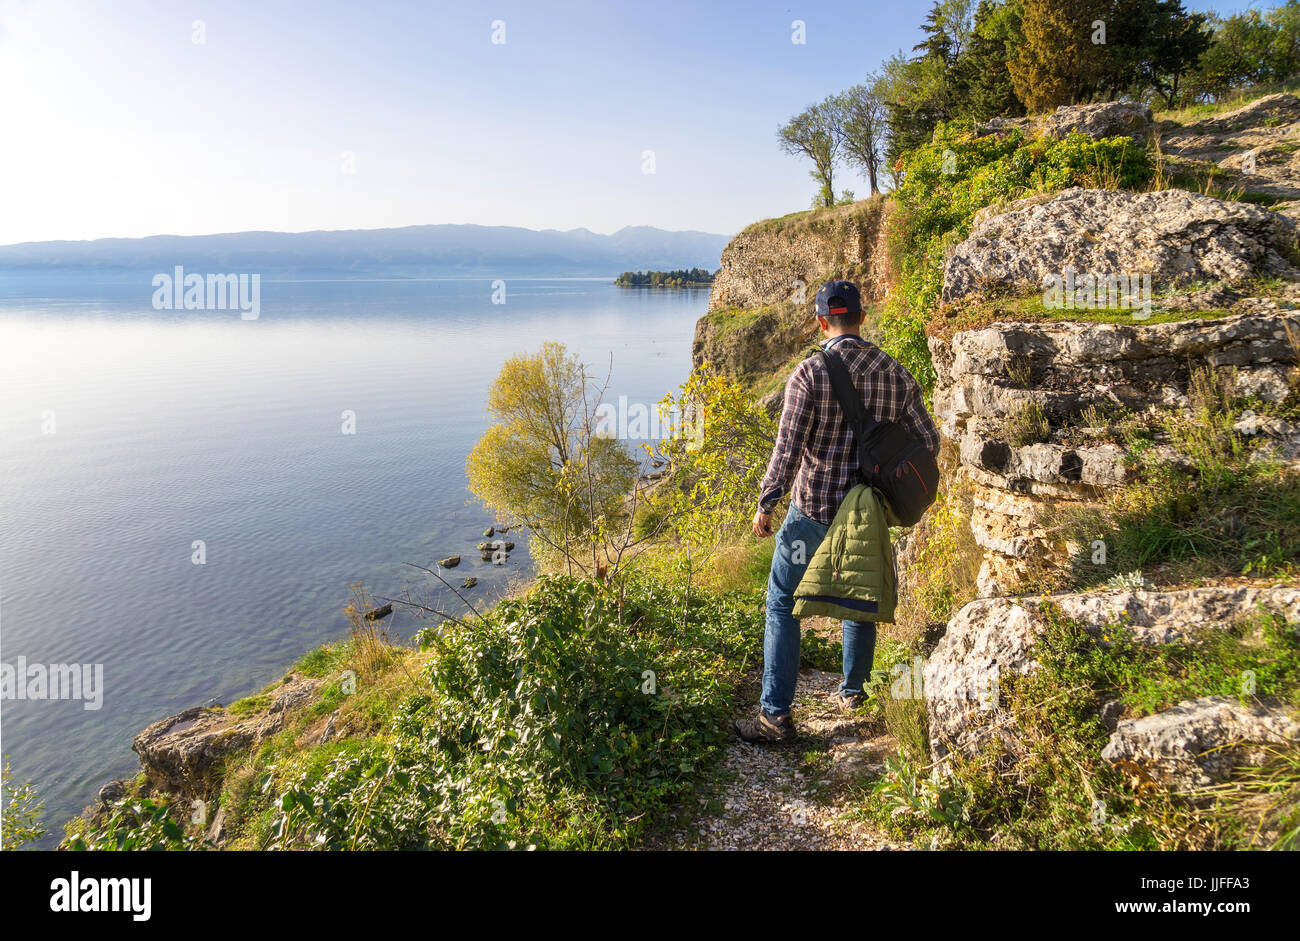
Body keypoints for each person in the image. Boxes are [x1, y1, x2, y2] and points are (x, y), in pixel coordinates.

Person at [734, 279, 940, 743]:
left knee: (783, 604)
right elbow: (928, 444)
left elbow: (787, 452)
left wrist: (766, 504)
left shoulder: (808, 374)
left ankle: (776, 717)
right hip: (867, 511)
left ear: (821, 321)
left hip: (814, 511)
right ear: (862, 318)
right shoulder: (896, 373)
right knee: (859, 602)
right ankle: (855, 696)